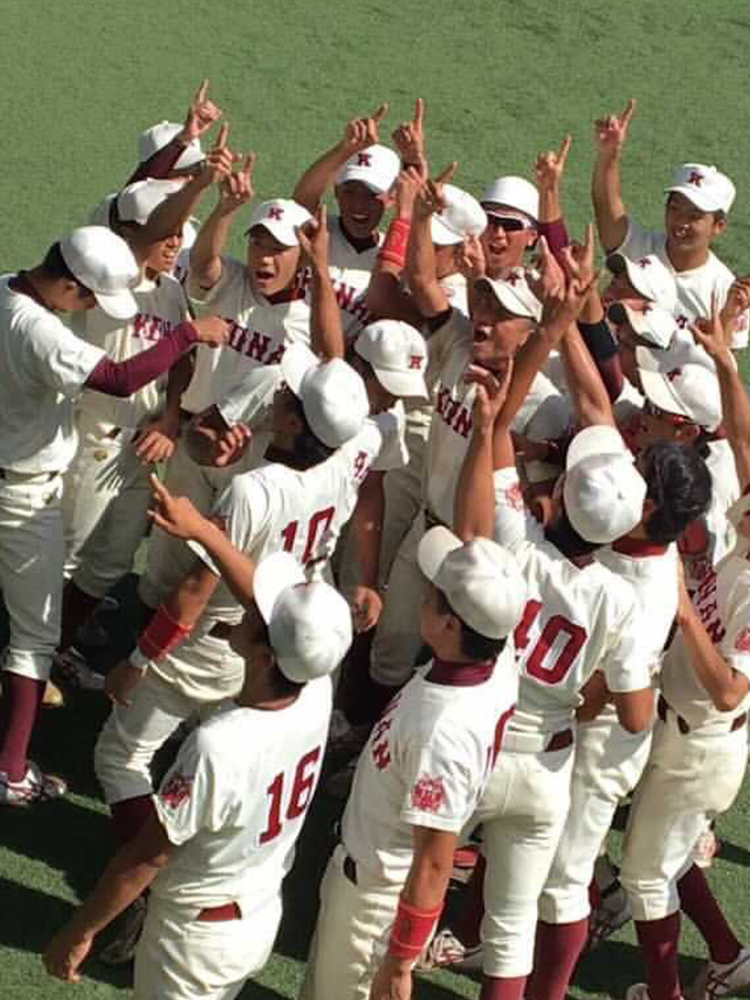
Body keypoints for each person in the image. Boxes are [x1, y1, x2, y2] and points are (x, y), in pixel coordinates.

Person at [299, 372, 527, 1000]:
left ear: (450, 623)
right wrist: (485, 433)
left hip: (377, 896)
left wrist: (400, 961)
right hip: (369, 872)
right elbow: (477, 535)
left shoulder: (447, 728)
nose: (422, 591)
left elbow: (436, 855)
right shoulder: (493, 652)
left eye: (432, 592)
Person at [43, 547, 353, 999]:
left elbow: (147, 856)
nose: (247, 605)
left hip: (194, 941)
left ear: (266, 657)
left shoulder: (220, 745)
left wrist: (81, 929)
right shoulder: (318, 690)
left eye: (259, 612)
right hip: (256, 915)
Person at [0, 226, 228, 807]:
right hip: (22, 495)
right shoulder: (40, 330)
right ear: (72, 283)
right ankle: (11, 771)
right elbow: (121, 378)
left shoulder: (6, 289)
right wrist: (185, 334)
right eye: (90, 299)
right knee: (33, 637)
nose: (90, 310)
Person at [592, 98, 749, 349]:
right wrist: (610, 156)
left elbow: (718, 370)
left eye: (694, 216)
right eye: (674, 209)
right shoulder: (638, 246)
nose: (680, 222)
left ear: (719, 225)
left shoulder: (724, 291)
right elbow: (605, 205)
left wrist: (727, 318)